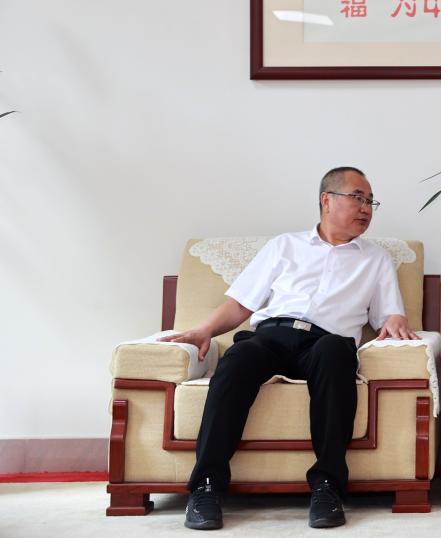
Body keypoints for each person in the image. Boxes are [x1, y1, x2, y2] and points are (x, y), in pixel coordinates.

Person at [162, 166, 418, 530]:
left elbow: (389, 314)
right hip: (272, 335)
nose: (366, 208)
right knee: (238, 359)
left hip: (326, 343)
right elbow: (241, 303)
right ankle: (206, 486)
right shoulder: (284, 246)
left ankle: (328, 486)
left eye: (370, 202)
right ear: (326, 200)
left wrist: (395, 319)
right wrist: (204, 330)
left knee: (336, 353)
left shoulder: (375, 259)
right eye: (358, 198)